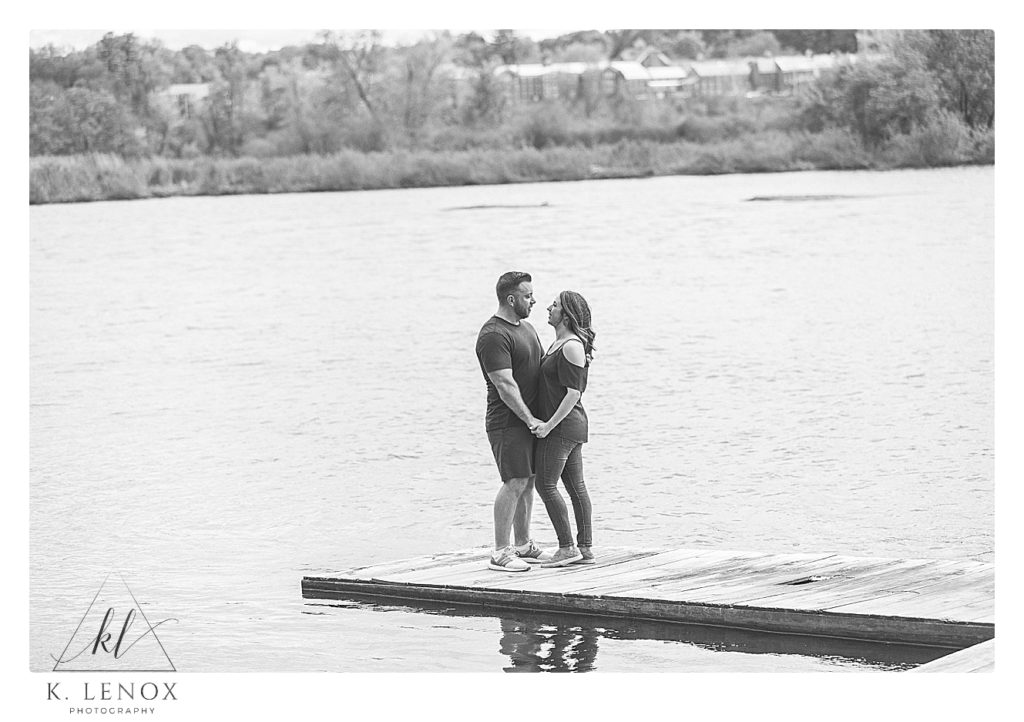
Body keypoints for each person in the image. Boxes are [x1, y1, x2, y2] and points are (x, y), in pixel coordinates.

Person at [476, 271, 552, 571]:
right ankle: (500, 552)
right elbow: (504, 384)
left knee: (529, 481)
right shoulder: (494, 335)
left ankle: (522, 544)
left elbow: (543, 367)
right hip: (507, 422)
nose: (533, 300)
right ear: (511, 298)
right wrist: (529, 418)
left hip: (531, 421)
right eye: (527, 295)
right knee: (514, 481)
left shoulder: (528, 329)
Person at [532, 291, 597, 568]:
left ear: (567, 315)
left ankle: (568, 547)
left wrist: (548, 425)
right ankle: (585, 549)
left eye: (555, 305)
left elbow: (573, 393)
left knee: (545, 484)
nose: (548, 307)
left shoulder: (571, 345)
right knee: (574, 486)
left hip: (564, 425)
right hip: (570, 425)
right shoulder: (559, 342)